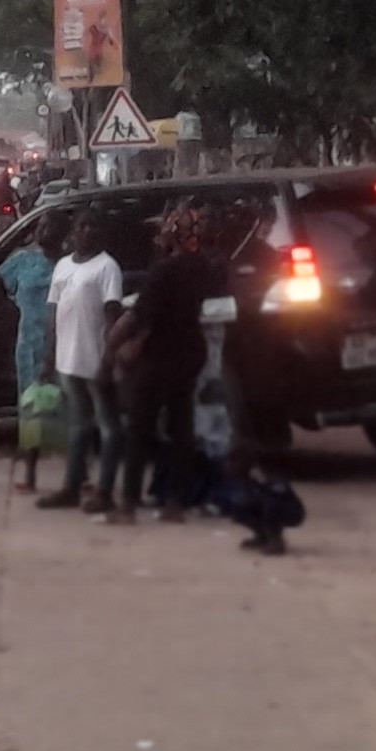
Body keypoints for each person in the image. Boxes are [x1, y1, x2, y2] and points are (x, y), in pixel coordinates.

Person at [110, 204, 225, 524]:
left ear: (173, 236)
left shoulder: (164, 271)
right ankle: (176, 503)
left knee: (139, 429)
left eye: (164, 230)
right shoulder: (202, 266)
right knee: (181, 428)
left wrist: (114, 348)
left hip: (158, 357)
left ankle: (128, 505)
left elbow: (140, 316)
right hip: (190, 354)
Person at [36, 214, 125, 513]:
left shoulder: (107, 267)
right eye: (83, 225)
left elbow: (113, 318)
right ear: (74, 231)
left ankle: (104, 491)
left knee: (108, 427)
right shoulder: (62, 266)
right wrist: (48, 357)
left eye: (94, 226)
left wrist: (108, 362)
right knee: (77, 427)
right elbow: (53, 314)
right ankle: (72, 487)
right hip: (67, 362)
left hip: (96, 362)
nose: (88, 230)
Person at [0, 215, 66, 490]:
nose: (42, 230)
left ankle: (76, 474)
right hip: (29, 346)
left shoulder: (68, 265)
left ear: (62, 234)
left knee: (69, 409)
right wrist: (12, 309)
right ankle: (30, 473)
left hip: (64, 345)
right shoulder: (22, 260)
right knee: (31, 410)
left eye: (49, 226)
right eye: (40, 226)